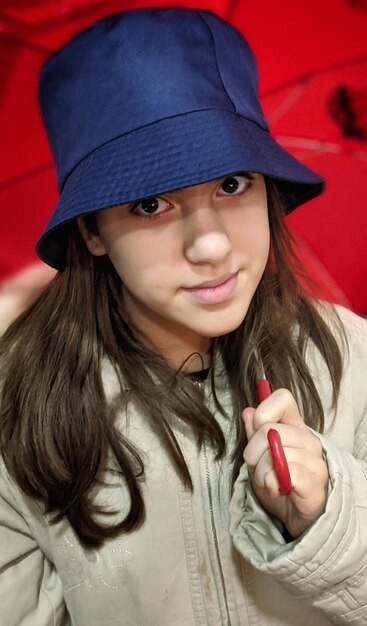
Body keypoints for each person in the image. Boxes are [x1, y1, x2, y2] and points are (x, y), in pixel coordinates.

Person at [0, 7, 366, 626]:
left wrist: (327, 517)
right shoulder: (17, 407)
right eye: (150, 202)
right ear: (90, 231)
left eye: (232, 183)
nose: (213, 246)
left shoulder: (352, 359)